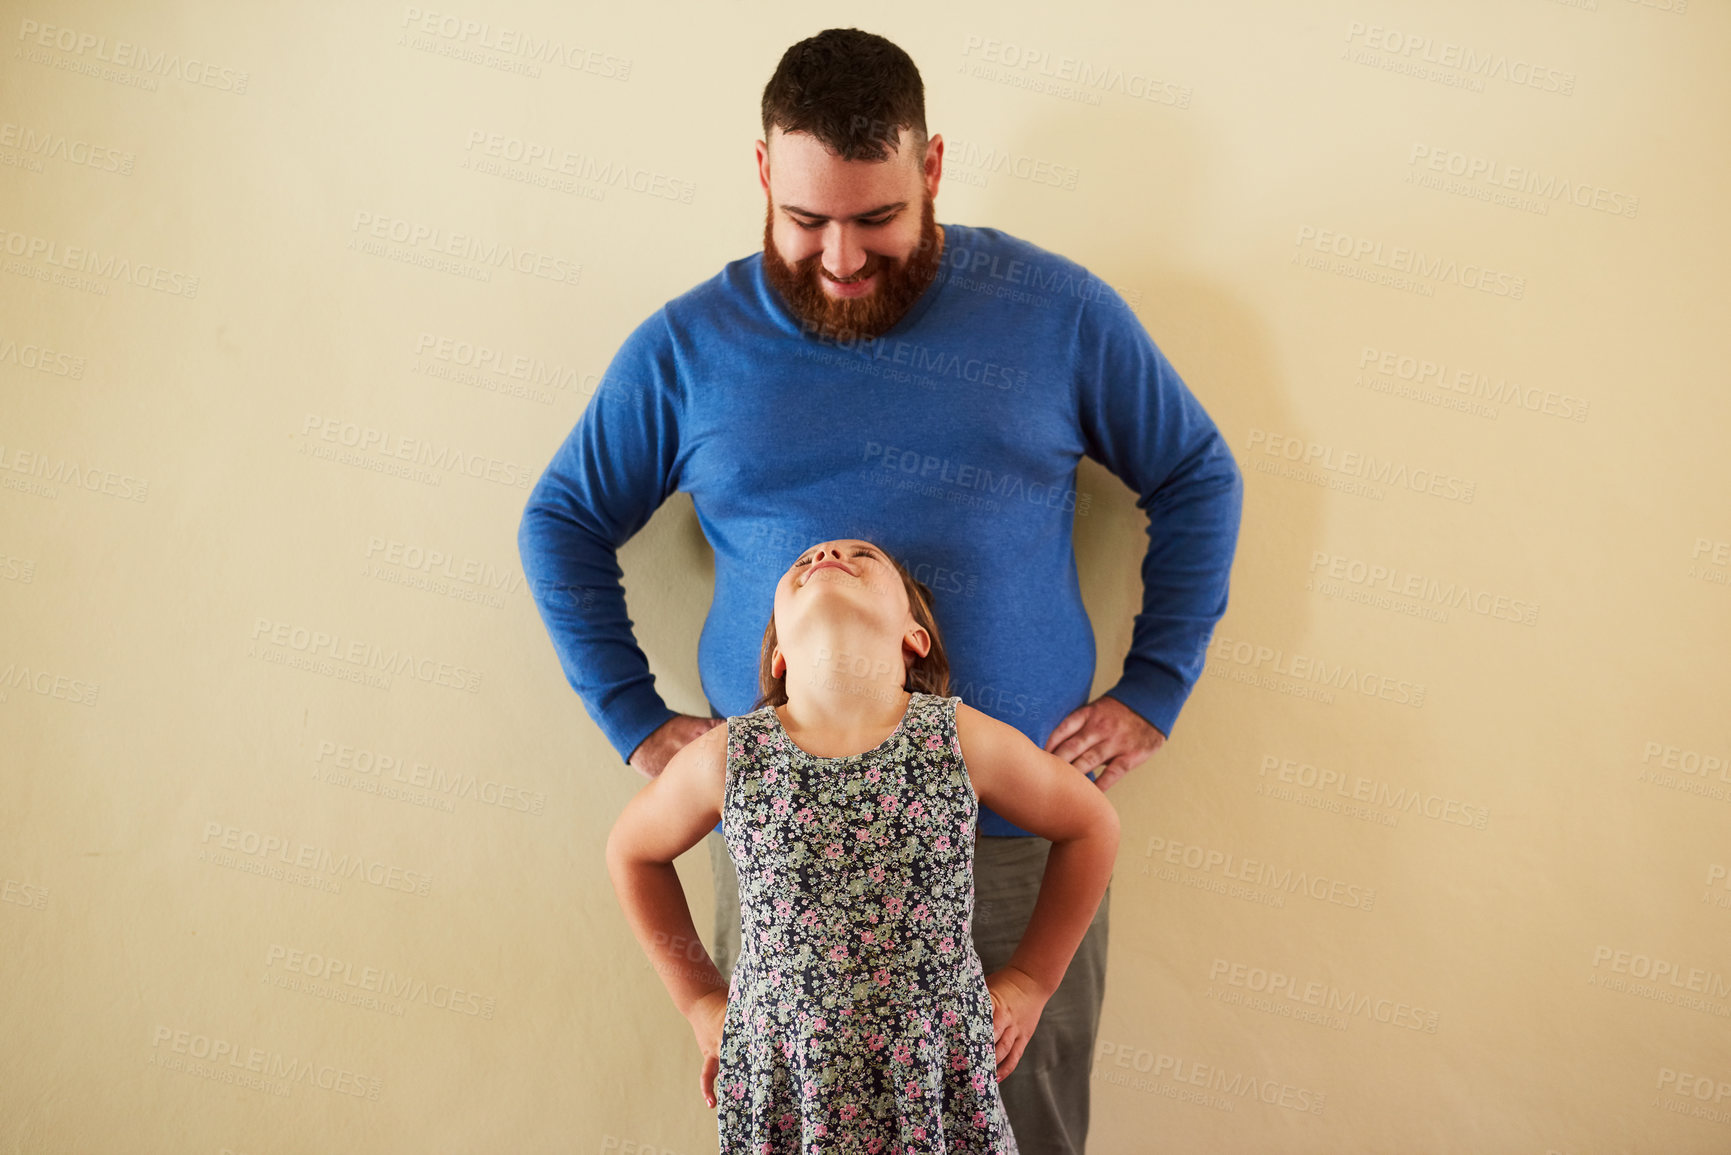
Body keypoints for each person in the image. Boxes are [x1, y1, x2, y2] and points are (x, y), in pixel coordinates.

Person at [519, 28, 1243, 1153]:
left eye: (876, 219)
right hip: (782, 862)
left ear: (933, 169)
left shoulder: (1054, 311)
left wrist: (1154, 687)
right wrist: (636, 721)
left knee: (1027, 1132)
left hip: (1012, 850)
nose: (843, 259)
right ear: (762, 173)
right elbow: (560, 519)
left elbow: (1196, 474)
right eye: (807, 221)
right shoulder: (689, 350)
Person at [605, 537, 1119, 1152]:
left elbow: (1091, 826)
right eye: (803, 562)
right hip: (786, 1077)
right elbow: (633, 853)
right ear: (779, 660)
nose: (826, 555)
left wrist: (1031, 981)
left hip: (933, 1079)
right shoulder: (730, 756)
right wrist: (699, 1003)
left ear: (914, 638)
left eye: (863, 556)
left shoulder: (956, 738)